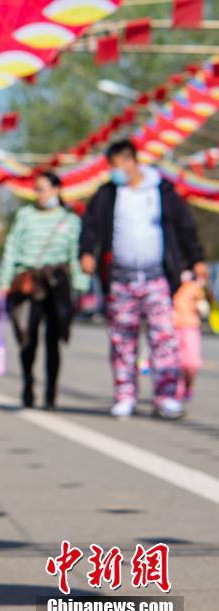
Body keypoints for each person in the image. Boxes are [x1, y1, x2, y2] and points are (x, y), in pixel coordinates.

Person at [80, 139, 208, 419]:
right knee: (122, 340)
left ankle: (166, 396)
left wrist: (196, 258)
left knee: (164, 339)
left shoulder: (161, 190)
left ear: (131, 161)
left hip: (157, 279)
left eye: (115, 166)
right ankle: (125, 394)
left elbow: (184, 227)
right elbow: (90, 226)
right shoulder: (108, 194)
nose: (113, 172)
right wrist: (87, 251)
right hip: (120, 280)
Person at [0, 171, 89, 410]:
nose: (38, 194)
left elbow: (75, 254)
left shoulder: (70, 220)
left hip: (57, 282)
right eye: (35, 189)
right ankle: (28, 383)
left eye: (43, 188)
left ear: (57, 190)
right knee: (27, 337)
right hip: (28, 281)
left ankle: (50, 393)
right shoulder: (25, 216)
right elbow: (12, 248)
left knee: (53, 340)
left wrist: (80, 285)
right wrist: (5, 280)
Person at [173, 269, 206, 401]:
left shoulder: (195, 285)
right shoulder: (171, 283)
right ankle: (177, 389)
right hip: (173, 327)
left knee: (192, 363)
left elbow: (204, 308)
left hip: (191, 327)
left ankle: (188, 385)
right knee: (176, 362)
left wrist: (201, 303)